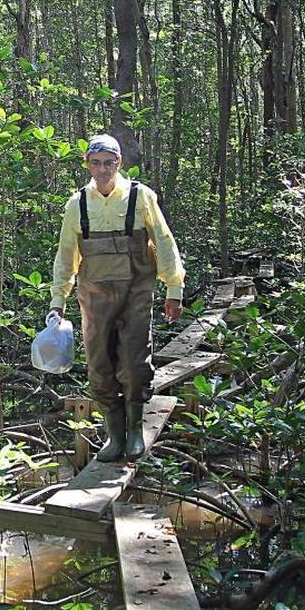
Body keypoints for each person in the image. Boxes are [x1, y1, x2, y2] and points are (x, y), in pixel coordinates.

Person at [48, 134, 185, 462]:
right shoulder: (77, 204)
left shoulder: (141, 197)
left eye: (109, 162)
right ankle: (115, 436)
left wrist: (174, 289)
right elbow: (66, 255)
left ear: (119, 162)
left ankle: (136, 431)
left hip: (135, 296)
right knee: (99, 366)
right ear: (87, 164)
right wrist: (58, 301)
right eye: (96, 163)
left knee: (135, 364)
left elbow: (164, 243)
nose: (103, 169)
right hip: (94, 301)